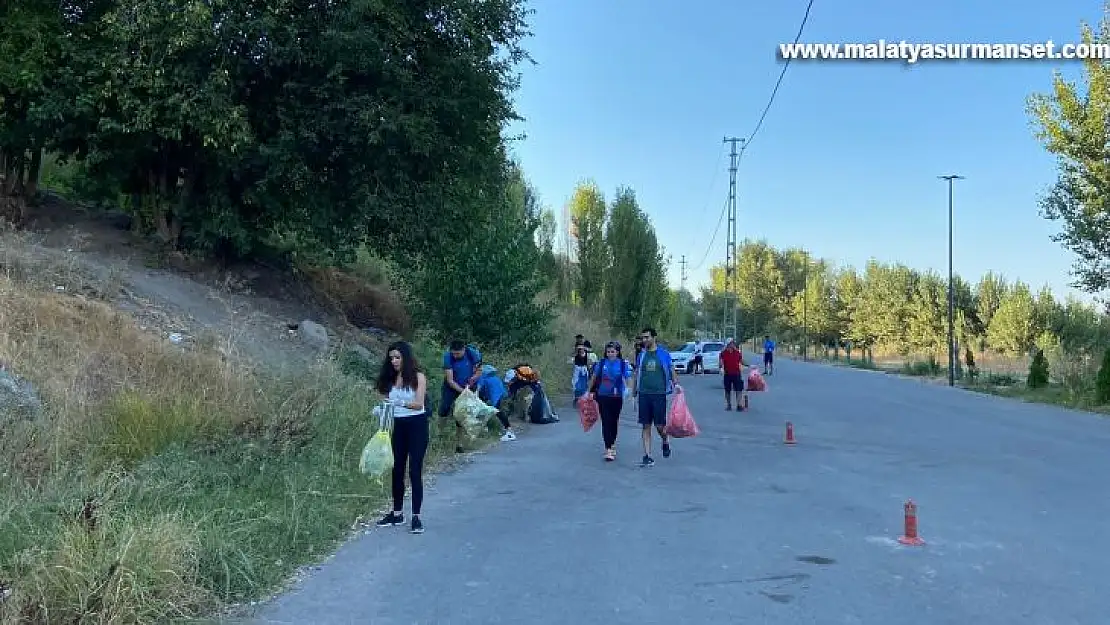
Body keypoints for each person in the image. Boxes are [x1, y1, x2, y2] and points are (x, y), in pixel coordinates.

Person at [373, 341, 429, 534]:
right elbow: (388, 403)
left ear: (405, 357)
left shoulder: (418, 377)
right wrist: (382, 410)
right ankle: (397, 513)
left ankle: (416, 516)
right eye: (391, 358)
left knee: (414, 470)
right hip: (399, 426)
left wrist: (397, 402)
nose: (394, 361)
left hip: (417, 425)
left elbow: (418, 403)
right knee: (397, 469)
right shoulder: (390, 378)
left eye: (398, 357)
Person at [630, 327, 675, 467]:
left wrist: (677, 385)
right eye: (643, 337)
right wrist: (634, 392)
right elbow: (637, 373)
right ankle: (647, 456)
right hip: (644, 394)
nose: (644, 340)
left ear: (654, 337)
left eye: (647, 337)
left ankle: (665, 440)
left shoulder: (663, 354)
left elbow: (671, 370)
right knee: (645, 425)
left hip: (659, 394)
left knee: (660, 426)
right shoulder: (641, 355)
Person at [584, 341, 632, 462]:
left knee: (614, 421)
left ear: (617, 352)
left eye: (613, 352)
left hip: (616, 396)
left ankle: (612, 442)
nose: (610, 354)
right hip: (603, 395)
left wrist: (628, 389)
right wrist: (588, 391)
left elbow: (627, 377)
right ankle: (608, 448)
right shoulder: (601, 363)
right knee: (605, 421)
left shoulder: (622, 364)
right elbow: (594, 377)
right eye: (608, 351)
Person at [440, 340, 482, 453]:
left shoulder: (473, 354)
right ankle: (440, 436)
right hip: (452, 387)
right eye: (453, 353)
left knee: (461, 414)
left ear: (464, 350)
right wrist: (463, 391)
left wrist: (474, 379)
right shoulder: (448, 357)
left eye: (458, 354)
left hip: (468, 385)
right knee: (444, 409)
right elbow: (450, 380)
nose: (455, 356)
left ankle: (459, 444)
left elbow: (479, 371)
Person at [476, 364, 517, 442]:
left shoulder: (480, 376)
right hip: (499, 391)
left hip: (496, 394)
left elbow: (477, 390)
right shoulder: (487, 375)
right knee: (495, 410)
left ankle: (510, 432)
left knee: (497, 411)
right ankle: (485, 428)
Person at [720, 339, 745, 411]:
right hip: (727, 374)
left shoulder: (737, 352)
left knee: (739, 389)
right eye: (731, 343)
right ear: (728, 344)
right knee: (727, 390)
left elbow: (742, 361)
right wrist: (721, 367)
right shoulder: (723, 353)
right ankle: (729, 405)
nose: (733, 344)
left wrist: (750, 365)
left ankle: (739, 405)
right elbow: (720, 363)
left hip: (737, 373)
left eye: (733, 343)